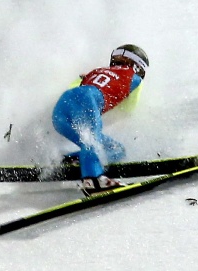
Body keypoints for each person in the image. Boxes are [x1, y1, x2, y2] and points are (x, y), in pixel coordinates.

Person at [52, 44, 149, 195]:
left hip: (61, 107)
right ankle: (93, 180)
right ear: (137, 66)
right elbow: (127, 110)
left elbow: (74, 88)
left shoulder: (96, 71)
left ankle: (72, 160)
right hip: (87, 100)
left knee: (116, 149)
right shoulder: (135, 78)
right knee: (91, 141)